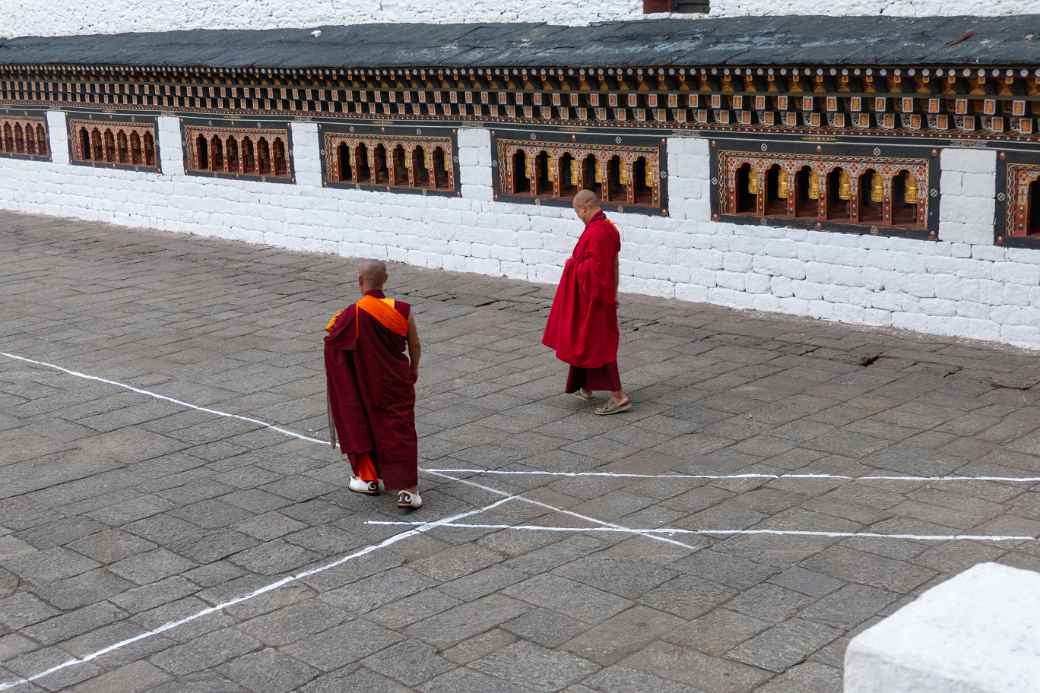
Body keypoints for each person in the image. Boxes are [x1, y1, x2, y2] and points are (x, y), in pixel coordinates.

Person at [324, 260, 423, 509]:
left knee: (363, 423)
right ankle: (408, 490)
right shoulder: (401, 310)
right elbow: (415, 345)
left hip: (365, 384)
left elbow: (333, 341)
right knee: (400, 430)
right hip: (396, 382)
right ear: (385, 279)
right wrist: (414, 368)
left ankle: (368, 478)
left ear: (359, 281)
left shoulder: (351, 314)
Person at [543, 190, 631, 415]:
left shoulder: (596, 233)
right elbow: (613, 266)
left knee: (600, 345)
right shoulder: (609, 228)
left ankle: (619, 397)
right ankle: (585, 385)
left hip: (594, 299)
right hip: (602, 295)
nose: (578, 216)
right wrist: (614, 291)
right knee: (583, 339)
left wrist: (572, 265)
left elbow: (593, 271)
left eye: (577, 212)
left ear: (585, 208)